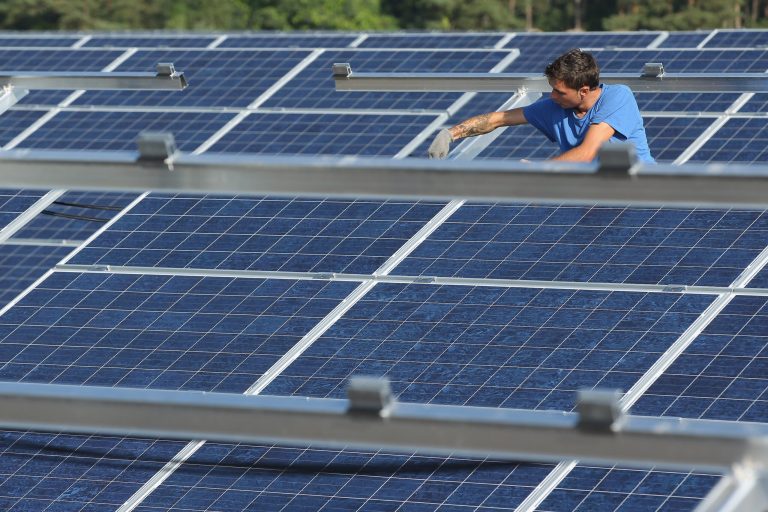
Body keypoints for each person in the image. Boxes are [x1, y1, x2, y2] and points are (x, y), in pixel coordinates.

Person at [428, 48, 654, 163]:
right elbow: (498, 119)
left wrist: (540, 171)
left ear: (584, 90)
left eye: (559, 91)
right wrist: (451, 134)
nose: (552, 96)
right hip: (597, 203)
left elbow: (587, 152)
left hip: (641, 192)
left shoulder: (617, 97)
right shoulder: (554, 107)